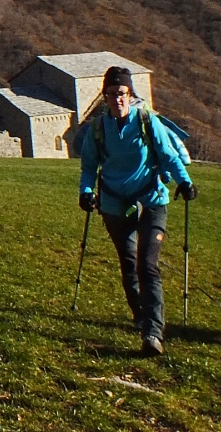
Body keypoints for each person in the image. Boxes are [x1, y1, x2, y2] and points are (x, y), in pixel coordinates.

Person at [80, 66, 197, 356]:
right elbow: (88, 167)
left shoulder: (146, 121)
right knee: (129, 264)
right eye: (111, 94)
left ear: (130, 95)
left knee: (147, 265)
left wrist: (185, 182)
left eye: (122, 93)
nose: (117, 99)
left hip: (152, 201)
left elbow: (168, 156)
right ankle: (141, 317)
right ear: (105, 97)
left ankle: (153, 333)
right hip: (113, 204)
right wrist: (86, 192)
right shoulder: (97, 129)